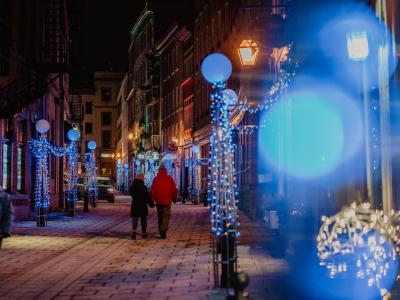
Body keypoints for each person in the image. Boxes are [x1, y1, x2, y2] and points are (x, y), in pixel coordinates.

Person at [151, 165, 177, 239]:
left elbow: (153, 190)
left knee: (160, 216)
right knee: (166, 216)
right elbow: (173, 189)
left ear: (158, 171)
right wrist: (175, 198)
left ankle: (161, 230)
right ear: (165, 171)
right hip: (167, 200)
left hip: (158, 201)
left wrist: (152, 200)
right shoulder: (169, 179)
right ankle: (163, 230)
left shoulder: (155, 179)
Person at [129, 173, 153, 239]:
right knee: (143, 219)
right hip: (143, 205)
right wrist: (151, 204)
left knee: (135, 218)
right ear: (142, 179)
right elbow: (148, 197)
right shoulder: (144, 187)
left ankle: (134, 232)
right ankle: (144, 233)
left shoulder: (133, 187)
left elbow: (130, 192)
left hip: (135, 204)